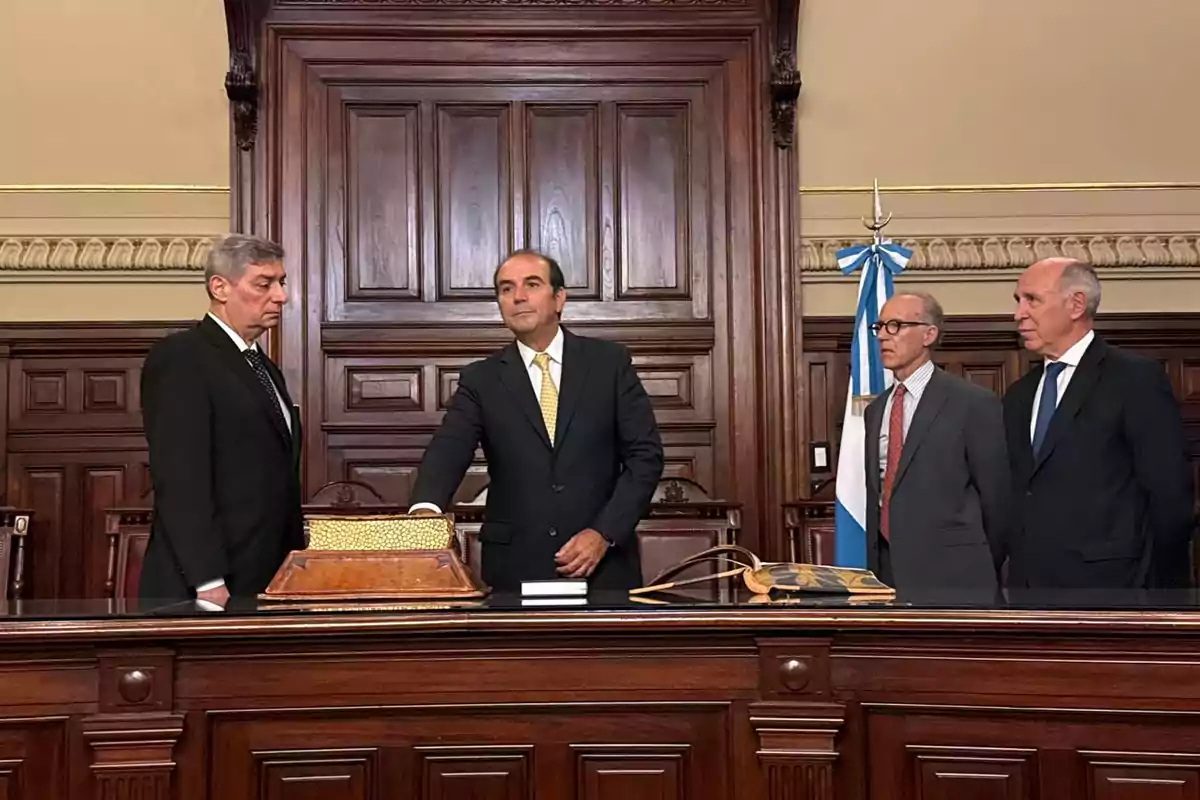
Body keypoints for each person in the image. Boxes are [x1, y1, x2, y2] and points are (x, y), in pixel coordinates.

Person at [409, 249, 664, 592]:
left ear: (559, 298)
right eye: (505, 288)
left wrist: (604, 533)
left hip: (603, 569)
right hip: (515, 570)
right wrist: (425, 513)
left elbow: (645, 457)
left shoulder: (609, 364)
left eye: (532, 284)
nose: (518, 297)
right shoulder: (481, 380)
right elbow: (448, 451)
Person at [1003, 258, 1195, 589]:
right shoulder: (1020, 393)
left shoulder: (1134, 379)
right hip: (1029, 590)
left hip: (1115, 589)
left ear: (1076, 304)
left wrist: (1159, 594)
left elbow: (1170, 496)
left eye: (1031, 299)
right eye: (1018, 301)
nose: (1018, 313)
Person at [139, 233, 303, 607]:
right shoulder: (182, 358)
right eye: (264, 284)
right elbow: (181, 478)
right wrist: (207, 580)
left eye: (281, 283)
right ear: (220, 287)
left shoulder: (263, 366)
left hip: (266, 578)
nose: (281, 296)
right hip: (209, 588)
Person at [863, 292, 1010, 593]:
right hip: (888, 575)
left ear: (929, 334)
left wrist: (975, 559)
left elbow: (998, 500)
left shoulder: (972, 403)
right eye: (879, 327)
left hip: (958, 575)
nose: (883, 337)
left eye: (896, 326)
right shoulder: (875, 410)